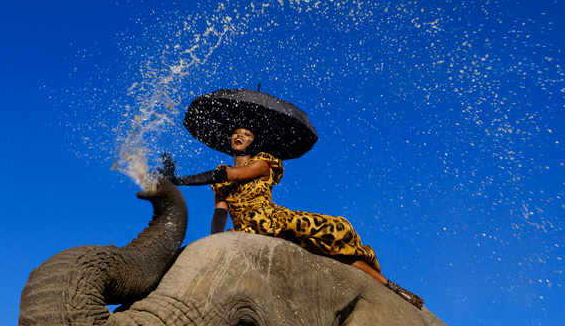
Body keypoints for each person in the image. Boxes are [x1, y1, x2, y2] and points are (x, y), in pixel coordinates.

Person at [158, 126, 424, 309]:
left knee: (329, 249)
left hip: (270, 220)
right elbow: (220, 210)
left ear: (253, 141)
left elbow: (227, 176)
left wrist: (178, 179)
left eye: (246, 134)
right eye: (236, 133)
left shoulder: (263, 163)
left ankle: (390, 286)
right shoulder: (222, 171)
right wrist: (214, 242)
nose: (239, 136)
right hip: (243, 229)